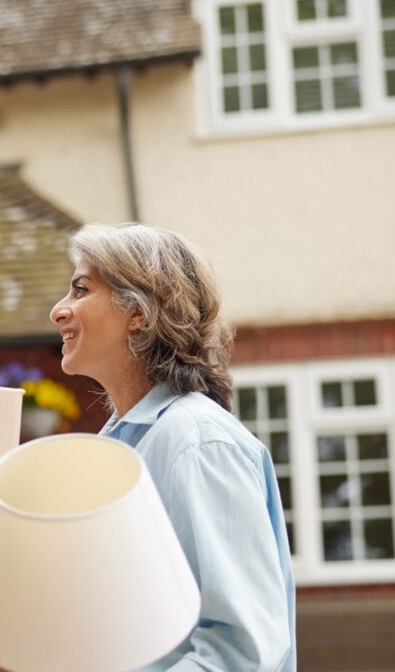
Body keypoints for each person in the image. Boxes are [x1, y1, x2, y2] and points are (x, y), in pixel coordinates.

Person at [49, 223, 295, 671]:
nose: (58, 311)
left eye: (80, 290)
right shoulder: (123, 444)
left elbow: (241, 654)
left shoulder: (197, 443)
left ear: (138, 313)